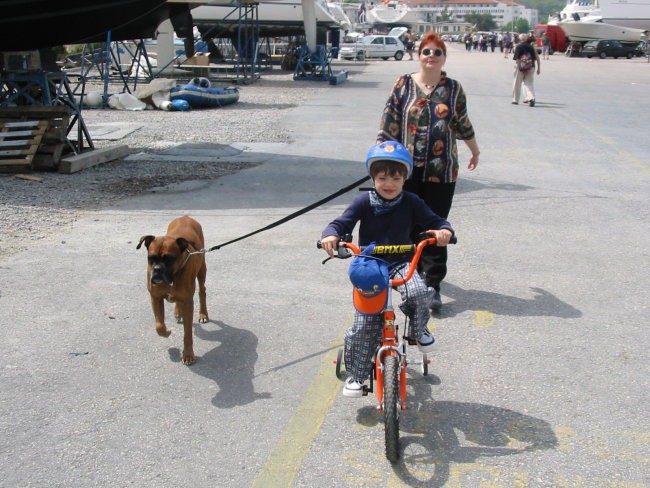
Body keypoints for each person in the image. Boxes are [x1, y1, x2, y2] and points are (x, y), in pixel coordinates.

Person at [320, 141, 455, 397]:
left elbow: (435, 220)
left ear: (405, 179)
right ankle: (358, 376)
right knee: (364, 325)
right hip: (370, 265)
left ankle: (418, 331)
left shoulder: (412, 201)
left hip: (402, 262)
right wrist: (331, 235)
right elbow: (341, 222)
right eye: (382, 178)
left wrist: (443, 230)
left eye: (396, 177)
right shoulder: (363, 201)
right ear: (373, 178)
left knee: (419, 291)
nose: (389, 184)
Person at [375, 31, 480, 310]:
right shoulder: (403, 84)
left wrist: (475, 149)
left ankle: (432, 284)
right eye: (427, 51)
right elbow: (389, 123)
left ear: (444, 58)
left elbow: (462, 123)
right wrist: (380, 163)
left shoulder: (453, 89)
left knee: (434, 227)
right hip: (404, 172)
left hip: (441, 170)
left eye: (437, 52)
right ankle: (410, 278)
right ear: (418, 55)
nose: (431, 56)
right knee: (407, 224)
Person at [512, 33, 541, 107]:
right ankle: (531, 98)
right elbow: (536, 58)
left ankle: (515, 99)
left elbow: (517, 59)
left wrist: (519, 67)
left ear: (521, 39)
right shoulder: (531, 47)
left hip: (520, 68)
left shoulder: (519, 46)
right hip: (531, 67)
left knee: (517, 84)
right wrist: (538, 68)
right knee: (529, 84)